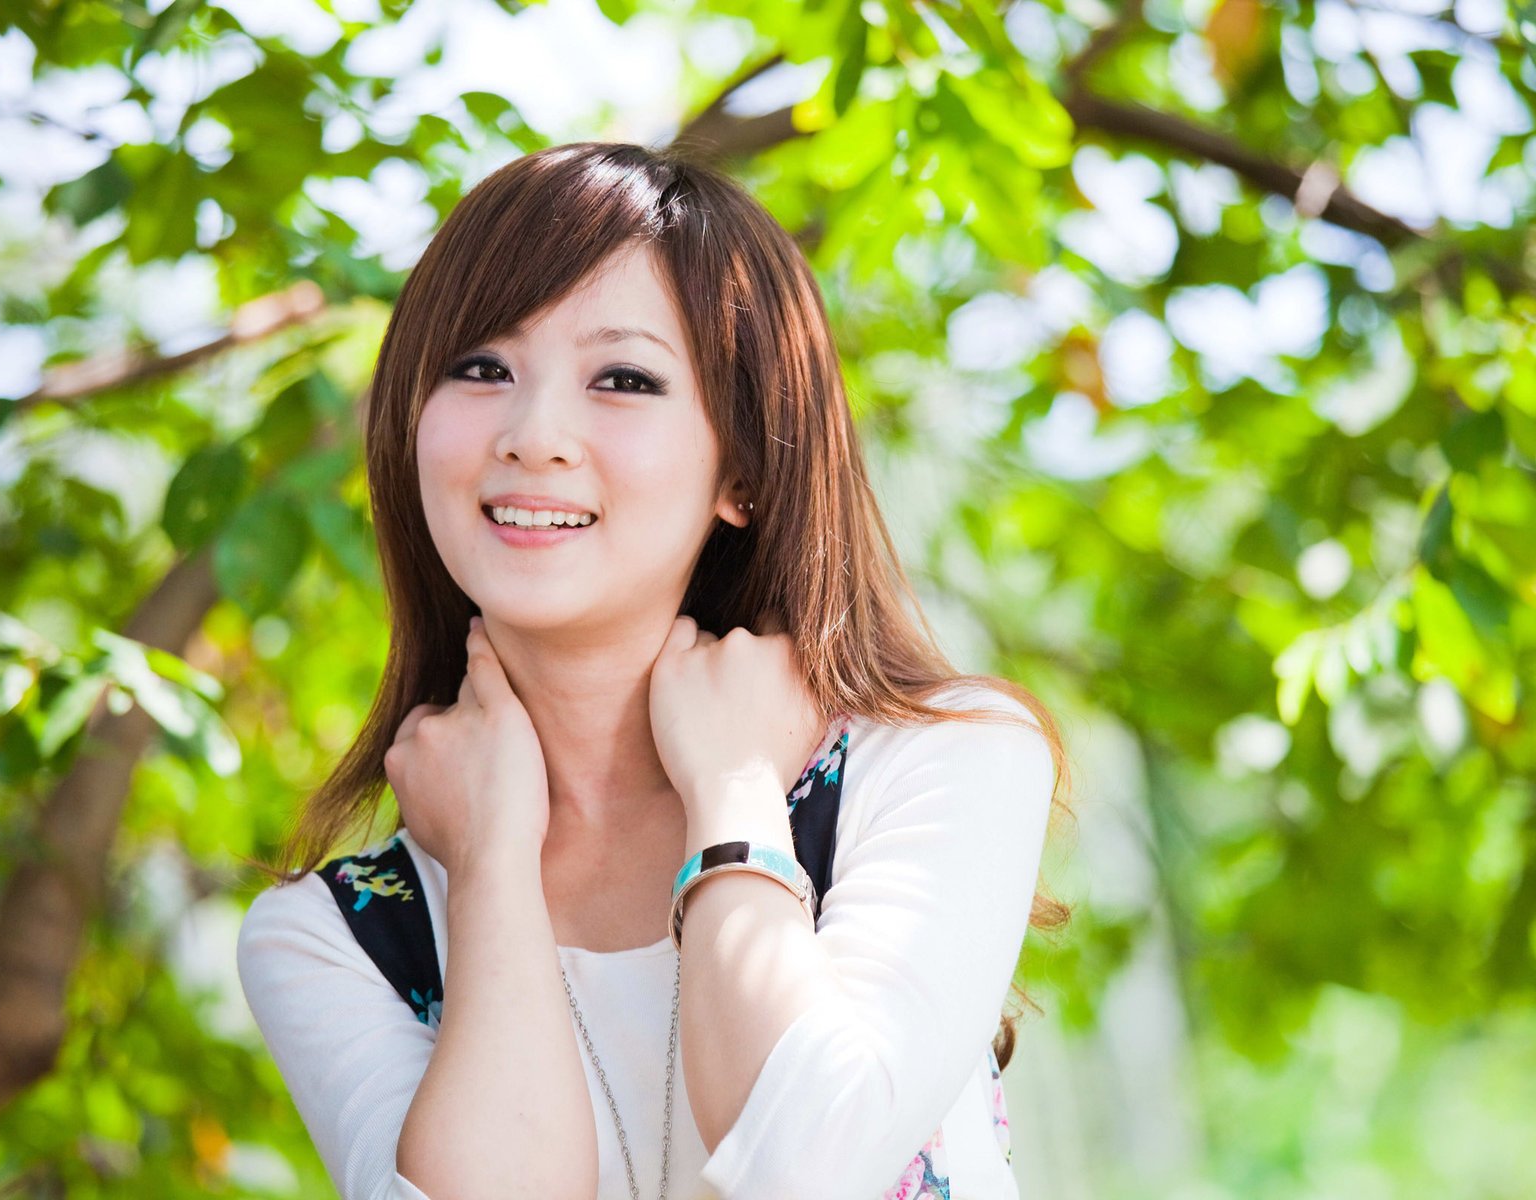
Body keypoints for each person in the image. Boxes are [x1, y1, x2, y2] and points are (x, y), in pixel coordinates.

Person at [234, 141, 1074, 1200]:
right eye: (482, 368)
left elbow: (808, 1165)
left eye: (623, 378)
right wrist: (493, 865)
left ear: (745, 471)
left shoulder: (941, 762)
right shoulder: (339, 939)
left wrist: (733, 795)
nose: (533, 435)